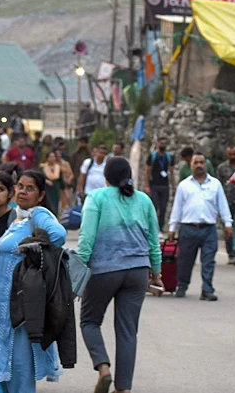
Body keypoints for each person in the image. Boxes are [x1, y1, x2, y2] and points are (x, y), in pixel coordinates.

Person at [77, 157, 164, 393]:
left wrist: (78, 272)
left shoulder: (96, 198)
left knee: (89, 321)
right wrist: (156, 272)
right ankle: (123, 388)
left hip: (104, 271)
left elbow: (86, 240)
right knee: (127, 331)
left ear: (105, 177)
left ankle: (103, 368)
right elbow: (154, 242)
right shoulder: (144, 200)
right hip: (138, 272)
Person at [0, 170, 69, 393]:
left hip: (19, 307)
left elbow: (58, 234)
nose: (23, 191)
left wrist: (33, 246)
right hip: (0, 307)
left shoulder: (37, 214)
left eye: (30, 188)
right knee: (3, 368)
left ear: (41, 195)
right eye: (20, 186)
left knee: (19, 369)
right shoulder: (18, 217)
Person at [167, 154, 234, 301]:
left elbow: (222, 205)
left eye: (202, 162)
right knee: (185, 260)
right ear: (190, 165)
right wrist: (172, 227)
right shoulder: (184, 185)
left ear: (206, 165)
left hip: (208, 228)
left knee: (209, 260)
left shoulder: (215, 184)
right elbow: (177, 207)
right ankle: (182, 285)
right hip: (188, 228)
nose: (199, 165)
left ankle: (207, 289)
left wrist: (228, 223)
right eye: (196, 162)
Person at [215, 143, 235, 265]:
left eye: (234, 154)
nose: (232, 156)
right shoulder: (222, 168)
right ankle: (231, 254)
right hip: (225, 202)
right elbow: (218, 185)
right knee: (228, 229)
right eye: (230, 154)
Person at [144, 138, 173, 230]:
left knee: (163, 208)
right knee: (154, 206)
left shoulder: (169, 157)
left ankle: (161, 227)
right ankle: (152, 226)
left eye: (164, 143)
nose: (163, 145)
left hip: (165, 185)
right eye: (161, 143)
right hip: (154, 185)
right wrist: (147, 185)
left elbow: (171, 172)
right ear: (157, 144)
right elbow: (147, 171)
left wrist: (174, 186)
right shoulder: (152, 157)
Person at [41, 148, 73, 215]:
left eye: (53, 157)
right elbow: (40, 178)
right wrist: (46, 181)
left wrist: (65, 191)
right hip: (47, 190)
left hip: (55, 190)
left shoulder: (58, 167)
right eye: (50, 157)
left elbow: (61, 181)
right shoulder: (42, 167)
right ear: (47, 158)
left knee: (55, 206)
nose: (52, 158)